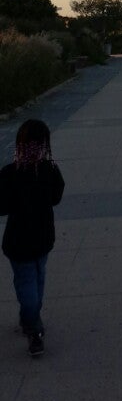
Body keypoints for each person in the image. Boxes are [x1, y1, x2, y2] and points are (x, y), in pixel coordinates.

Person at [0, 119, 64, 357]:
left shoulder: (10, 173)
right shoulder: (50, 169)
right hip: (43, 238)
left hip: (18, 241)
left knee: (26, 281)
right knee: (37, 278)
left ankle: (31, 322)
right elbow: (57, 196)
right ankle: (32, 319)